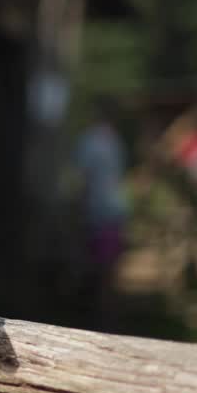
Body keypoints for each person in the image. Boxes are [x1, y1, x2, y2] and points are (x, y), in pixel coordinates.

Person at [74, 95, 127, 328]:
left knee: (99, 268)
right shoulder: (115, 140)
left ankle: (100, 319)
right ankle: (107, 317)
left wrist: (78, 208)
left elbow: (84, 179)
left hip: (98, 210)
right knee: (109, 269)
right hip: (115, 209)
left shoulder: (90, 141)